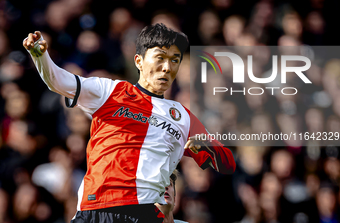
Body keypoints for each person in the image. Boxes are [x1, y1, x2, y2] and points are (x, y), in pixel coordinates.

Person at [23, 23, 236, 223]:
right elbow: (59, 81)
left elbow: (228, 164)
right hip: (97, 209)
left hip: (146, 212)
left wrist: (211, 149)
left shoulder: (182, 116)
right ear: (138, 61)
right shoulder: (109, 91)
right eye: (160, 58)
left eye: (174, 60)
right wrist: (41, 57)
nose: (167, 67)